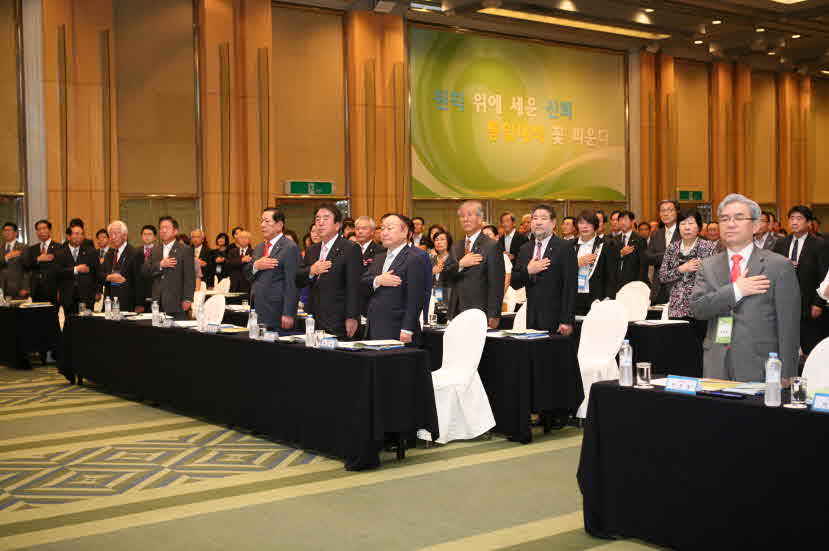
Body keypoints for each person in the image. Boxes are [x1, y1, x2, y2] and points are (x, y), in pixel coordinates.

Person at [691, 194, 800, 381]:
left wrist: (787, 374)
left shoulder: (778, 266)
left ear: (756, 226)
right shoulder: (707, 265)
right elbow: (698, 308)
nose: (730, 224)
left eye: (739, 218)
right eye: (724, 219)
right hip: (716, 363)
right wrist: (736, 290)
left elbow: (789, 327)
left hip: (760, 366)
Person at [296, 204, 362, 338]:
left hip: (339, 318)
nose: (320, 223)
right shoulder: (312, 250)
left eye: (326, 218)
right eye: (317, 219)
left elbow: (354, 286)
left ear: (337, 225)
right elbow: (298, 279)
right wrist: (311, 270)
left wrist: (352, 317)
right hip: (313, 318)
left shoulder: (350, 248)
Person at [511, 204, 576, 334]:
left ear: (553, 223)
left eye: (543, 218)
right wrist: (528, 271)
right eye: (535, 218)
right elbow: (515, 282)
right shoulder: (525, 249)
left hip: (556, 319)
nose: (538, 222)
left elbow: (570, 287)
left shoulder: (564, 247)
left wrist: (567, 320)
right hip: (531, 317)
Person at [362, 213, 428, 344]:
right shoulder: (379, 257)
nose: (384, 232)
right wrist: (377, 280)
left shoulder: (416, 257)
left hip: (398, 328)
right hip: (374, 326)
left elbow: (417, 296)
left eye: (389, 228)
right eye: (382, 228)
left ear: (405, 233)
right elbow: (363, 282)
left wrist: (408, 329)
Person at [772, 205, 828, 356]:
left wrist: (818, 303)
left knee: (810, 347)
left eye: (799, 218)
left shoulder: (819, 244)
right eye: (791, 218)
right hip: (785, 302)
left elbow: (824, 276)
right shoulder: (780, 244)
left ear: (808, 222)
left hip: (809, 303)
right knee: (786, 347)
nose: (794, 222)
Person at [442, 200, 505, 329]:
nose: (465, 219)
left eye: (470, 215)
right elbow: (445, 276)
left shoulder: (491, 246)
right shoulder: (456, 246)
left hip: (480, 311)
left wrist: (494, 314)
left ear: (480, 218)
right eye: (462, 216)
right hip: (456, 311)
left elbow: (496, 283)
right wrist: (460, 264)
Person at [658, 210, 716, 344]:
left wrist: (703, 269)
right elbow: (662, 276)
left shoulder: (708, 247)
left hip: (699, 308)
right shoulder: (672, 248)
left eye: (691, 223)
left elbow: (715, 277)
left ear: (699, 227)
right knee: (679, 348)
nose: (687, 227)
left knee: (698, 349)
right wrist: (681, 269)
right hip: (676, 308)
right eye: (683, 223)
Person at [245, 208, 300, 330]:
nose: (262, 225)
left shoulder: (290, 247)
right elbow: (248, 274)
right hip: (256, 309)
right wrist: (256, 266)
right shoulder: (259, 247)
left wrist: (289, 313)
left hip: (277, 311)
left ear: (279, 225)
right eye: (261, 221)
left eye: (266, 221)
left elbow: (292, 283)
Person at [144, 216, 195, 320]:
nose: (163, 230)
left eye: (167, 227)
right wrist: (160, 265)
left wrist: (188, 299)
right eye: (161, 228)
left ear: (175, 231)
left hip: (177, 302)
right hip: (157, 301)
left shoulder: (185, 250)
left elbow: (189, 277)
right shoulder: (154, 250)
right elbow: (145, 271)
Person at [571, 210, 618, 315]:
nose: (585, 226)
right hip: (573, 298)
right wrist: (576, 263)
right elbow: (559, 271)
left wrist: (608, 300)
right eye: (581, 223)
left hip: (597, 299)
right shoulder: (569, 246)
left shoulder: (607, 245)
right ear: (577, 226)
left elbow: (612, 276)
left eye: (589, 223)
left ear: (595, 226)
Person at [99, 220, 146, 312]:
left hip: (128, 303)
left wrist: (139, 304)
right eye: (111, 234)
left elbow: (139, 281)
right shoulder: (109, 254)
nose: (113, 237)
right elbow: (99, 274)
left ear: (125, 235)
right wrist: (108, 277)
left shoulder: (135, 253)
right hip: (110, 302)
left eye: (116, 234)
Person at [55, 222, 98, 315]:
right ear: (68, 236)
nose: (80, 236)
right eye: (76, 234)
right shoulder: (60, 253)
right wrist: (75, 269)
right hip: (67, 295)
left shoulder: (91, 252)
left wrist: (97, 291)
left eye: (82, 234)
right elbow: (57, 272)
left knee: (86, 325)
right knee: (70, 324)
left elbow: (96, 272)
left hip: (86, 296)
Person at [645, 199, 681, 304]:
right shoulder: (655, 234)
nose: (665, 213)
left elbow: (683, 257)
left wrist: (659, 257)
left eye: (669, 210)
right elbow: (648, 257)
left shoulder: (683, 232)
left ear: (676, 212)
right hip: (658, 288)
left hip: (677, 287)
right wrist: (669, 255)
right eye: (662, 211)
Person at [24, 219, 60, 304]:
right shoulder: (32, 249)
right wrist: (38, 259)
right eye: (39, 229)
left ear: (50, 230)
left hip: (52, 289)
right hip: (36, 289)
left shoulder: (59, 247)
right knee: (37, 316)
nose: (41, 231)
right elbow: (26, 265)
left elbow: (61, 268)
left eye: (44, 228)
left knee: (52, 316)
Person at [616, 210, 646, 290]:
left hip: (633, 283)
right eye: (620, 220)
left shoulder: (640, 240)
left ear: (632, 221)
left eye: (625, 219)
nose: (622, 222)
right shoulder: (614, 240)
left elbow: (643, 265)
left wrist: (639, 283)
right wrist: (621, 254)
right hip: (616, 282)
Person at [1, 222, 29, 298]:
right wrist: (6, 257)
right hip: (2, 287)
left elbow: (27, 269)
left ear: (16, 233)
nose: (6, 232)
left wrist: (25, 287)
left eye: (9, 230)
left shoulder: (23, 247)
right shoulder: (0, 247)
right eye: (5, 230)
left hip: (18, 287)